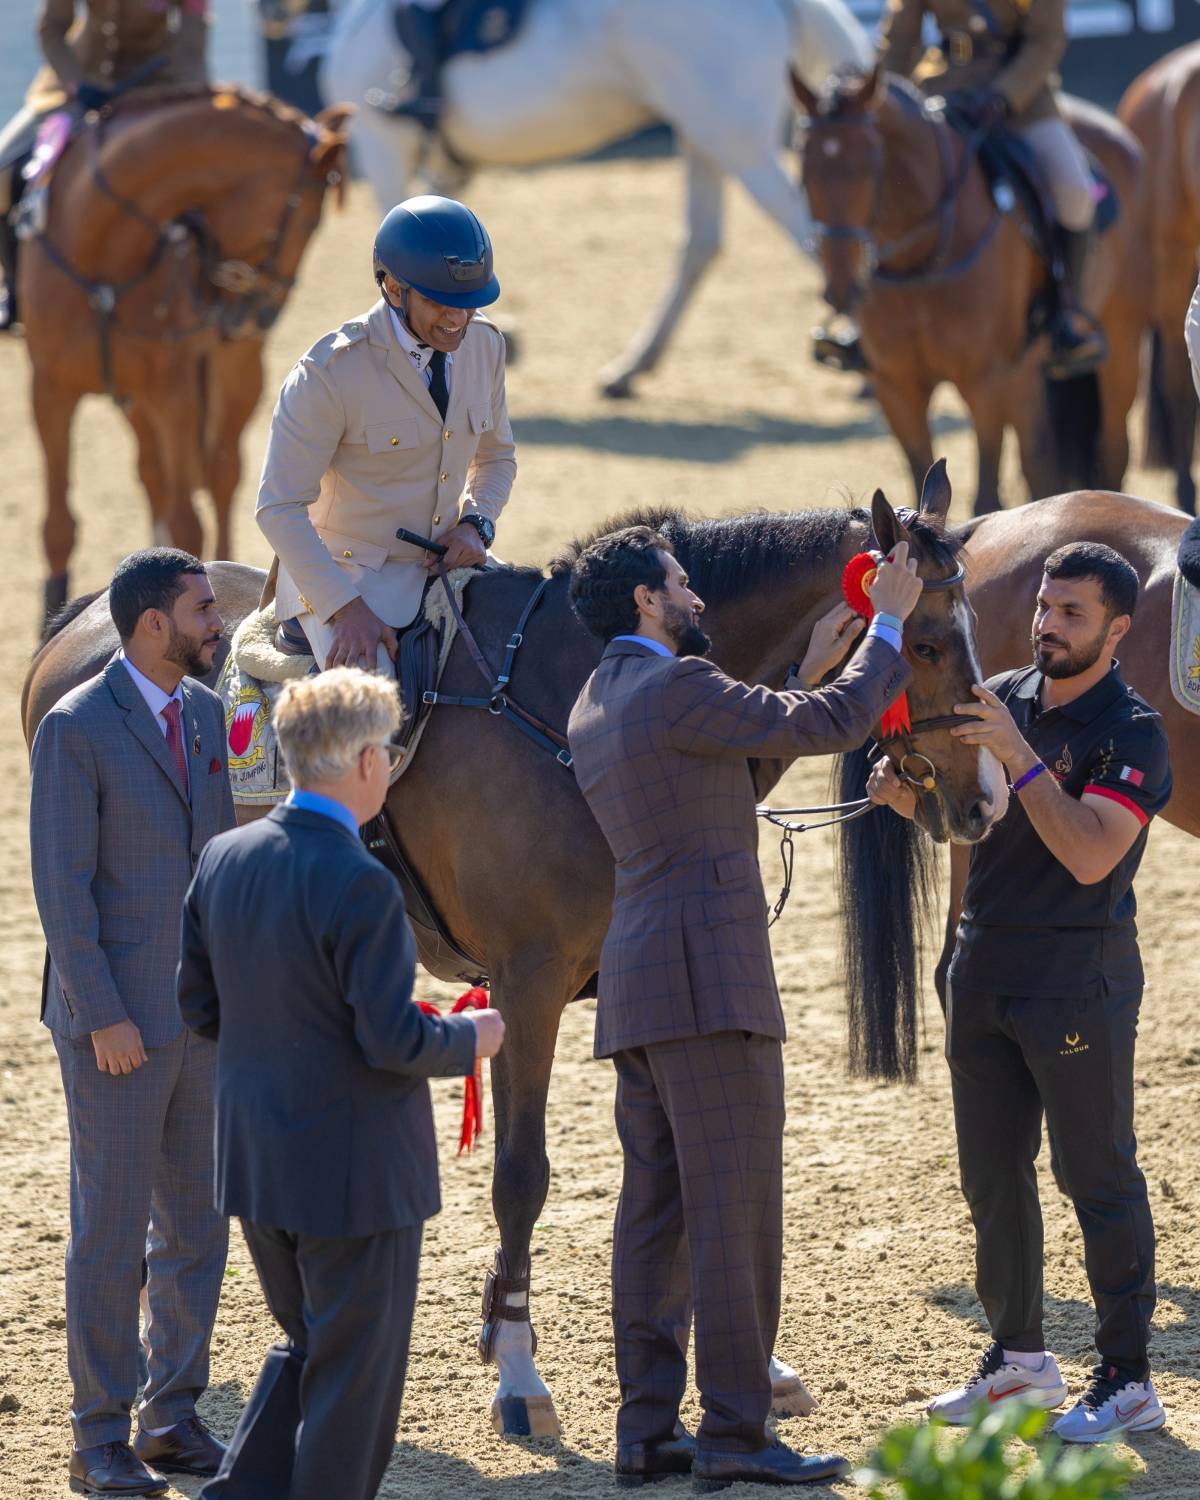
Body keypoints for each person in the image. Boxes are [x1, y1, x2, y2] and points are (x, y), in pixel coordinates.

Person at [566, 525, 922, 1489]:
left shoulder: (596, 701)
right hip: (709, 978)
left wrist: (807, 667)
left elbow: (730, 779)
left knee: (655, 1214)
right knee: (735, 1212)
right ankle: (736, 1433)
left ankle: (646, 1430)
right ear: (645, 599)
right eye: (679, 582)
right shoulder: (679, 685)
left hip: (637, 980)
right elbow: (836, 725)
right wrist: (889, 621)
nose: (695, 596)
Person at [178, 668, 506, 1500]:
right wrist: (470, 1036)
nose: (393, 765)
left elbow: (202, 1005)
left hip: (255, 1159)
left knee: (307, 1345)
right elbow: (391, 1040)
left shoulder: (224, 855)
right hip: (355, 1173)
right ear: (364, 761)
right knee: (354, 1384)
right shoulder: (361, 878)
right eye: (389, 752)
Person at [870, 542, 1170, 1442]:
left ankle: (1126, 1378)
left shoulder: (1133, 733)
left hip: (1076, 981)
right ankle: (1020, 1362)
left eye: (1071, 614)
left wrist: (1017, 753)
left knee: (1096, 1176)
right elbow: (976, 822)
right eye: (1044, 607)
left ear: (1118, 630)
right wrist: (909, 806)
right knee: (992, 1179)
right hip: (984, 969)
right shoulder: (999, 693)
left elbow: (1085, 852)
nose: (1047, 625)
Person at [29, 548, 234, 1497]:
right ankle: (97, 1433)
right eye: (202, 610)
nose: (216, 623)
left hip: (201, 1021)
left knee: (195, 1226)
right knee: (110, 1235)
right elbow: (61, 893)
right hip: (115, 1028)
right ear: (152, 624)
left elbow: (218, 867)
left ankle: (171, 1414)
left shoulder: (202, 713)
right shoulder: (76, 728)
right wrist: (104, 1016)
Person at [256, 193, 516, 673]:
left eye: (470, 303)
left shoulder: (485, 345)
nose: (458, 319)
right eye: (442, 303)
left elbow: (496, 459)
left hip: (445, 566)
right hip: (346, 575)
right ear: (393, 289)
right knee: (371, 717)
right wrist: (344, 607)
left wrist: (477, 523)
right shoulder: (328, 372)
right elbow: (278, 507)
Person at [877, 0, 1105, 377]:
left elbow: (1046, 40)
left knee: (1074, 193)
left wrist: (1004, 95)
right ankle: (864, 316)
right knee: (877, 181)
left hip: (1023, 98)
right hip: (942, 94)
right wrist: (882, 103)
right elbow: (900, 41)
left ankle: (1065, 315)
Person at [0, 0, 208, 329]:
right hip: (78, 87)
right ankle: (16, 293)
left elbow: (192, 45)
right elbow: (51, 29)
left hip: (156, 87)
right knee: (3, 171)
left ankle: (207, 288)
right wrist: (77, 83)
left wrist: (181, 97)